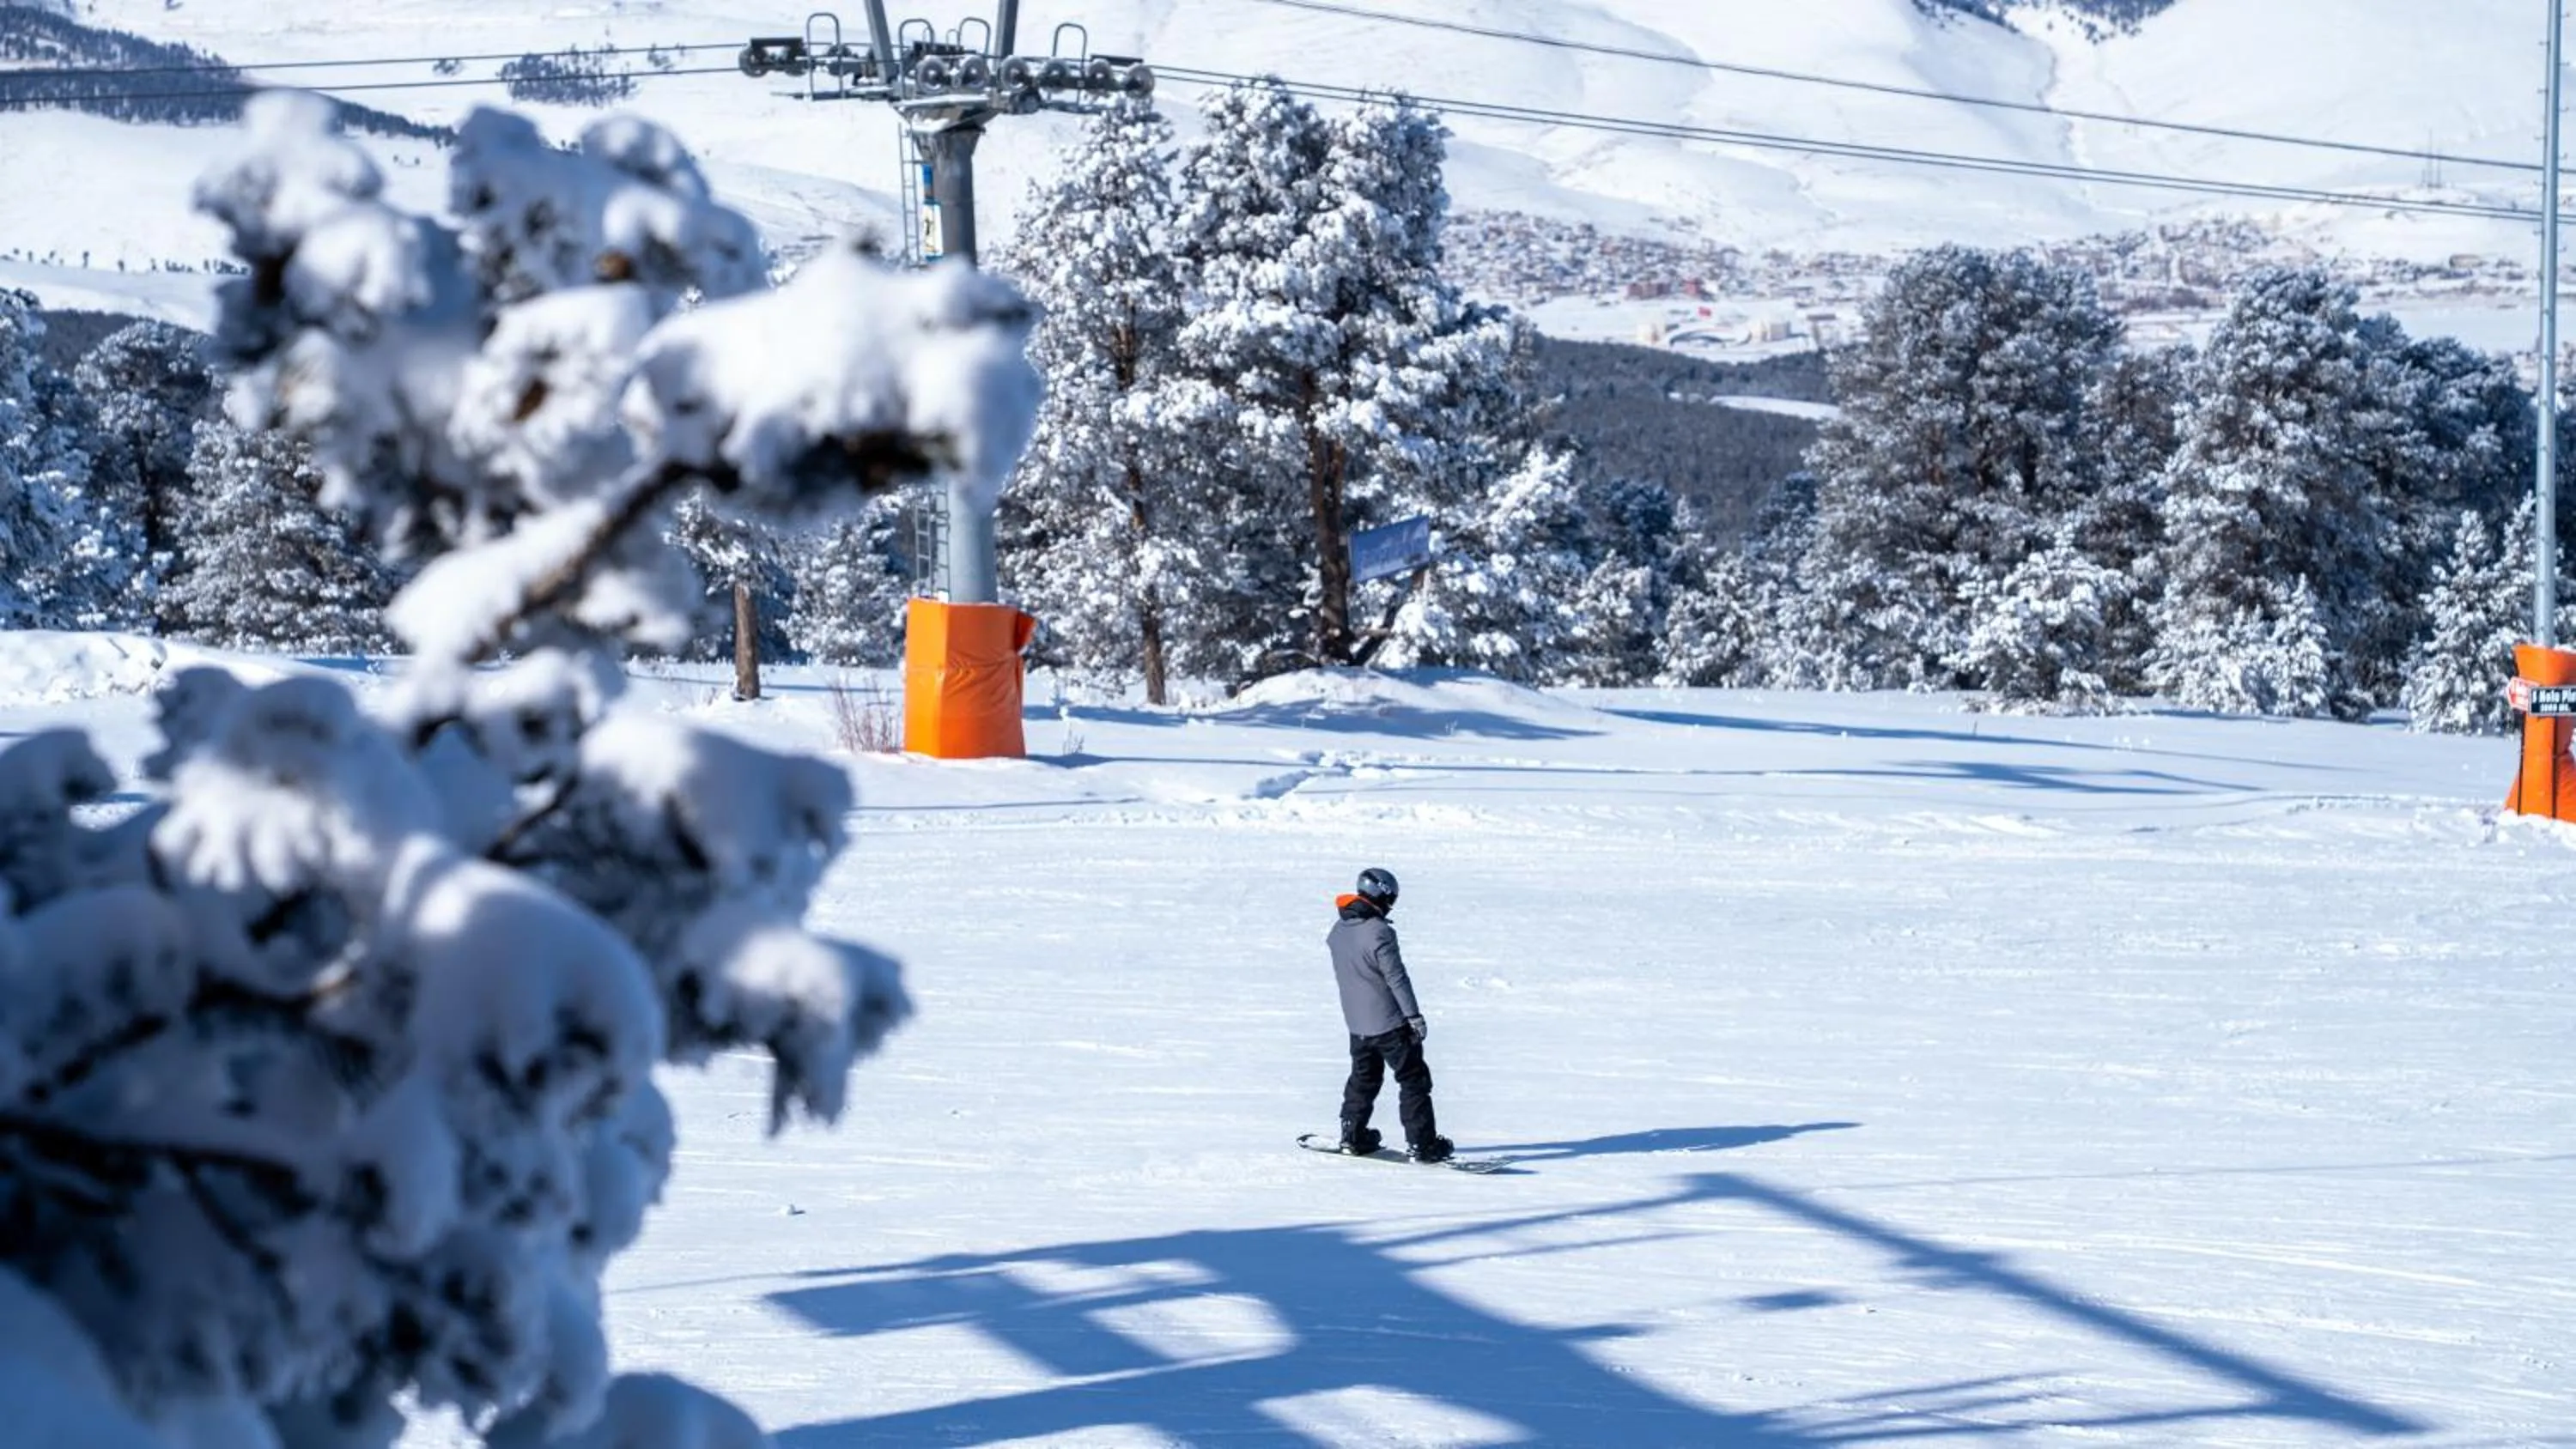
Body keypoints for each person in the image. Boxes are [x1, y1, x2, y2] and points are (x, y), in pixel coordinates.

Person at [1327, 866, 1454, 1163]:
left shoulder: (1338, 931)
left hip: (1357, 1025)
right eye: (1391, 898)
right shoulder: (1380, 933)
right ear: (1382, 895)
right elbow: (1397, 978)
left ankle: (1353, 1135)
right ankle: (1423, 1145)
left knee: (1363, 1078)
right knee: (1413, 1080)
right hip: (1390, 1025)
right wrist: (1414, 1017)